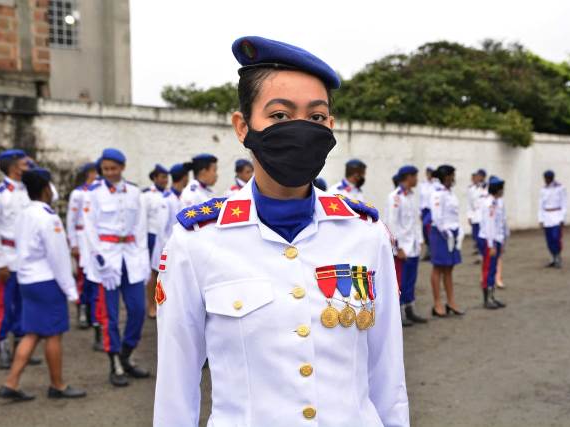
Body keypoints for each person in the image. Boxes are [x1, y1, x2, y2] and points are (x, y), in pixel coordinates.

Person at [154, 36, 409, 427]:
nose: (301, 130)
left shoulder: (365, 234)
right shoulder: (197, 241)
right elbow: (176, 387)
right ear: (243, 127)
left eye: (317, 117)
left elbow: (387, 377)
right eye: (279, 116)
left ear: (331, 127)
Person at [0, 167, 86, 401]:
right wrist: (71, 290)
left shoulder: (24, 213)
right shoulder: (48, 218)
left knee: (33, 333)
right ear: (47, 188)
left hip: (27, 279)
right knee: (54, 334)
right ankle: (58, 385)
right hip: (47, 282)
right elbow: (59, 258)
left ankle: (11, 382)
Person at [82, 148, 150, 386]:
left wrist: (144, 261)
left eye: (113, 168)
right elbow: (89, 229)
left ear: (122, 167)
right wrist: (99, 260)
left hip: (130, 257)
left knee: (138, 310)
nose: (109, 173)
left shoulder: (135, 193)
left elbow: (140, 229)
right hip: (107, 260)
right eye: (105, 169)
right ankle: (115, 364)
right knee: (109, 315)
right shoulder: (93, 194)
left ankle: (127, 353)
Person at [0, 149, 41, 369]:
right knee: (4, 304)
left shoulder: (29, 190)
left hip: (26, 258)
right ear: (13, 166)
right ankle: (2, 345)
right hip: (7, 258)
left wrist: (36, 169)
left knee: (24, 303)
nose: (29, 164)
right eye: (25, 162)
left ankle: (21, 345)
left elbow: (54, 195)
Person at [147, 162, 191, 318]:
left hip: (179, 245)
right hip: (164, 245)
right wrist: (168, 248)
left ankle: (169, 306)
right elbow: (162, 228)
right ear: (184, 177)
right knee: (156, 275)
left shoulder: (183, 197)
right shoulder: (167, 199)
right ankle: (152, 305)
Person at [385, 165, 427, 327]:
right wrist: (398, 247)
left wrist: (420, 240)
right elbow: (392, 223)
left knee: (411, 280)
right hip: (402, 248)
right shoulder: (395, 197)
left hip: (413, 246)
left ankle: (410, 309)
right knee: (400, 282)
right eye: (415, 176)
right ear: (408, 177)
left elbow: (416, 221)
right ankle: (399, 314)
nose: (417, 179)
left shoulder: (410, 196)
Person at [66, 162, 98, 334]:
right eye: (94, 172)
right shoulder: (78, 193)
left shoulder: (99, 192)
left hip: (95, 240)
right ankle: (82, 309)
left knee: (95, 276)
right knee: (82, 277)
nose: (96, 175)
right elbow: (71, 219)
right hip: (81, 237)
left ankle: (94, 312)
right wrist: (74, 243)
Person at [428, 165, 464, 318]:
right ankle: (437, 303)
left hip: (452, 232)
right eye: (451, 175)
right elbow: (436, 216)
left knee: (449, 268)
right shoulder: (437, 193)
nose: (453, 178)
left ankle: (451, 301)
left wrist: (458, 231)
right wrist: (446, 232)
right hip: (441, 233)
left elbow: (454, 214)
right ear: (445, 176)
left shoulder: (450, 193)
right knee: (438, 268)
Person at [142, 164, 169, 319]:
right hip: (152, 237)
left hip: (165, 237)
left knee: (165, 272)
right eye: (163, 177)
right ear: (155, 178)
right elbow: (142, 219)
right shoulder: (147, 195)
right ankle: (151, 305)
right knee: (154, 272)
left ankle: (161, 303)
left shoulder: (168, 194)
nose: (166, 180)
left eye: (167, 177)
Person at [478, 176, 508, 309]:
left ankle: (492, 296)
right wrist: (491, 245)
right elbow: (490, 225)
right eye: (501, 188)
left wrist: (503, 239)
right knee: (488, 269)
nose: (503, 191)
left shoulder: (496, 202)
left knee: (493, 268)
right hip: (489, 240)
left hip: (496, 239)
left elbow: (501, 223)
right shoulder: (489, 203)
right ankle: (487, 299)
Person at [538, 170, 567, 268]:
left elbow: (564, 203)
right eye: (545, 178)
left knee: (556, 237)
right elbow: (540, 205)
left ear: (551, 178)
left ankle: (558, 255)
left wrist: (562, 217)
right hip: (546, 216)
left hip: (557, 215)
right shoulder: (543, 190)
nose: (546, 180)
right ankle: (553, 257)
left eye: (547, 178)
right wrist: (541, 219)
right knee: (549, 239)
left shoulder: (560, 188)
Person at [467, 168, 487, 262]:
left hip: (484, 216)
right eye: (477, 175)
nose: (478, 177)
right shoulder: (472, 189)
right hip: (475, 216)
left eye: (480, 175)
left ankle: (482, 254)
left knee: (482, 237)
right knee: (475, 236)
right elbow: (469, 204)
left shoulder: (487, 188)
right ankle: (481, 253)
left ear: (483, 177)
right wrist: (469, 216)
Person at [419, 166, 434, 261]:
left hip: (432, 210)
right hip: (424, 210)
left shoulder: (436, 185)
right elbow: (420, 198)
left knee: (427, 228)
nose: (429, 175)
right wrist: (419, 210)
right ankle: (429, 251)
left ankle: (431, 252)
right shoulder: (423, 184)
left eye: (431, 173)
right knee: (425, 231)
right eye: (428, 173)